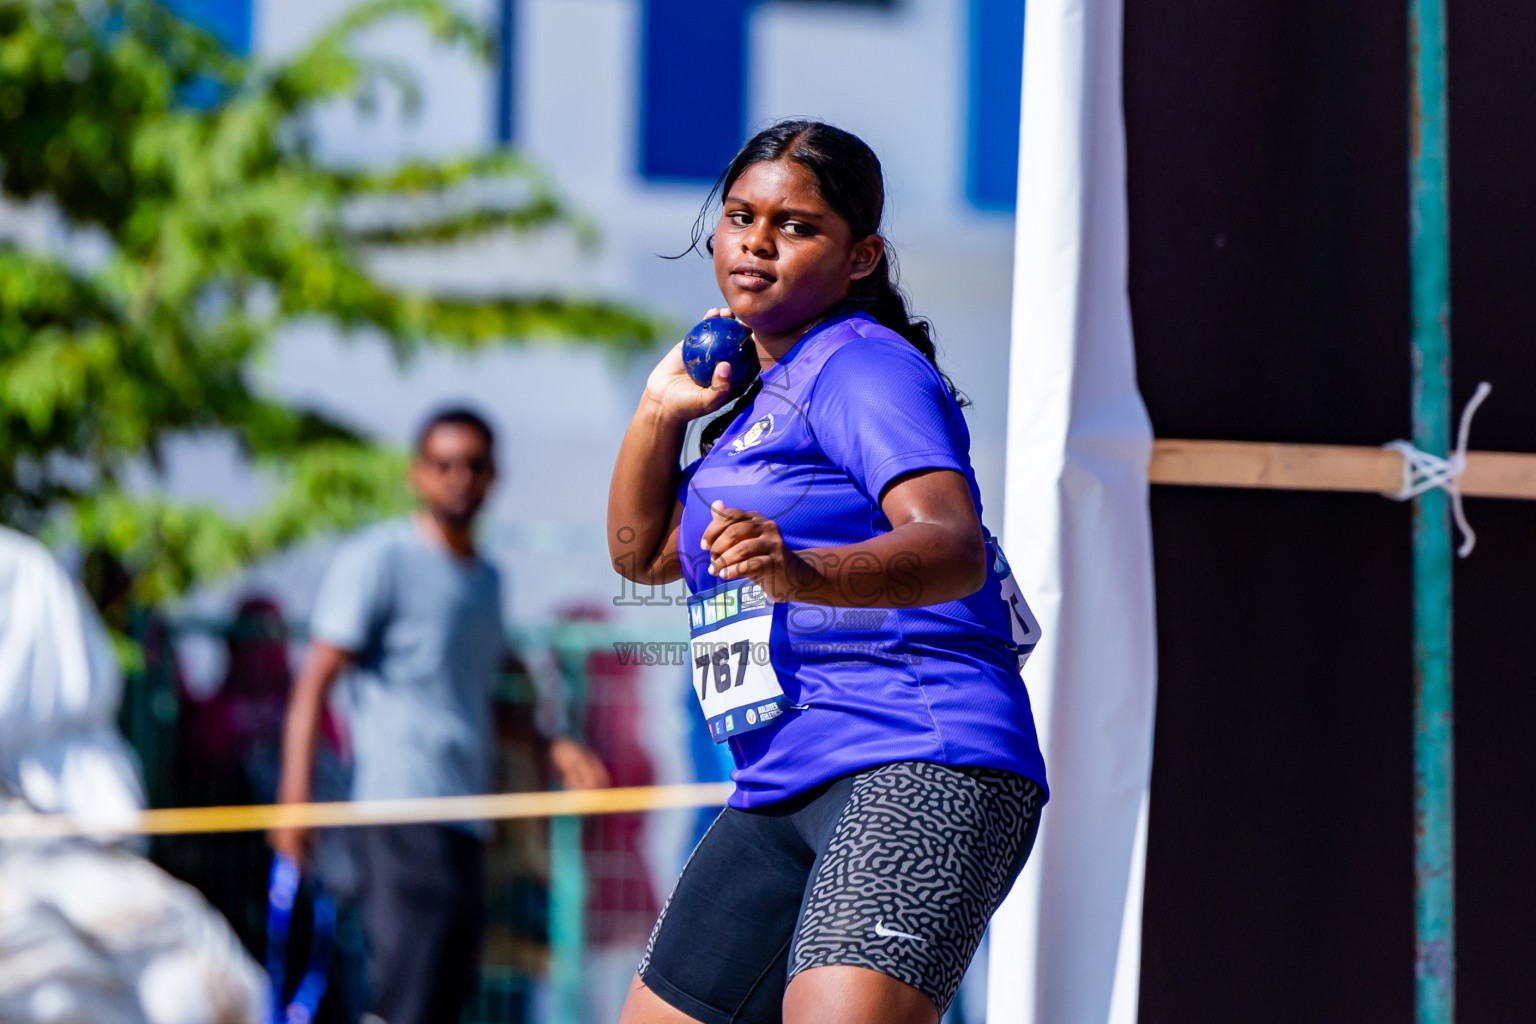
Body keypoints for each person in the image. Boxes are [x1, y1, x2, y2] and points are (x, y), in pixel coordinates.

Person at [607, 121, 1050, 1024]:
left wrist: (799, 569)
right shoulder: (751, 400)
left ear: (861, 257)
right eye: (740, 216)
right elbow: (644, 555)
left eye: (797, 225)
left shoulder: (862, 369)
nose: (757, 242)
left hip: (918, 756)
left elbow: (952, 542)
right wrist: (660, 411)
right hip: (778, 785)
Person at [271, 407, 608, 1024]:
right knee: (406, 996)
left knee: (445, 996)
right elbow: (313, 680)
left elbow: (472, 700)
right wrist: (294, 806)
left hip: (468, 818)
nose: (458, 478)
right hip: (401, 812)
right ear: (417, 475)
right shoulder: (381, 560)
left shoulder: (486, 583)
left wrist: (549, 743)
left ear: (492, 477)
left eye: (473, 466)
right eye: (444, 465)